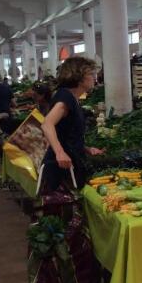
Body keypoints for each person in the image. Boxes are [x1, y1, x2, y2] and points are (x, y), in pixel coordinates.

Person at [41, 57, 104, 191]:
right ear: (79, 77)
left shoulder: (71, 97)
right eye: (91, 74)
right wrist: (60, 153)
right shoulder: (66, 97)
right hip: (61, 166)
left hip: (70, 160)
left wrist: (85, 148)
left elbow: (65, 132)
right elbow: (47, 123)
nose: (94, 77)